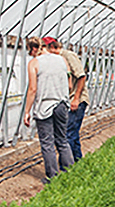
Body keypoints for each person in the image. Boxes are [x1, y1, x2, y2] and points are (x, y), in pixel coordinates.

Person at [23, 37, 73, 182]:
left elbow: (33, 89)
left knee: (47, 143)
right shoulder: (61, 60)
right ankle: (71, 174)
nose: (31, 55)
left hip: (44, 107)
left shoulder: (34, 63)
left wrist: (27, 111)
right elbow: (69, 85)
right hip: (62, 105)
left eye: (30, 52)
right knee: (62, 140)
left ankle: (53, 177)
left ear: (33, 49)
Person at [48, 37, 89, 162]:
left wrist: (76, 99)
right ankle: (77, 163)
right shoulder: (58, 59)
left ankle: (67, 167)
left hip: (77, 101)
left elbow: (81, 76)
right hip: (69, 101)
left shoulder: (68, 56)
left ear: (53, 47)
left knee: (68, 134)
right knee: (72, 134)